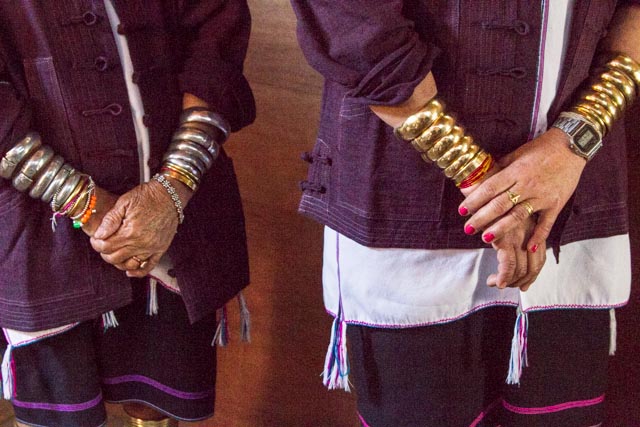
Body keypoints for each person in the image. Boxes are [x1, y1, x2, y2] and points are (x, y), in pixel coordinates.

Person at [292, 1, 639, 426]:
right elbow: (353, 24)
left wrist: (575, 140)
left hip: (573, 202)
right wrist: (484, 183)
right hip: (408, 209)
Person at [0, 1, 254, 426]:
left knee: (157, 401)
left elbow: (217, 30)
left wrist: (174, 186)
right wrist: (83, 202)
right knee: (60, 415)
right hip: (40, 228)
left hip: (175, 215)